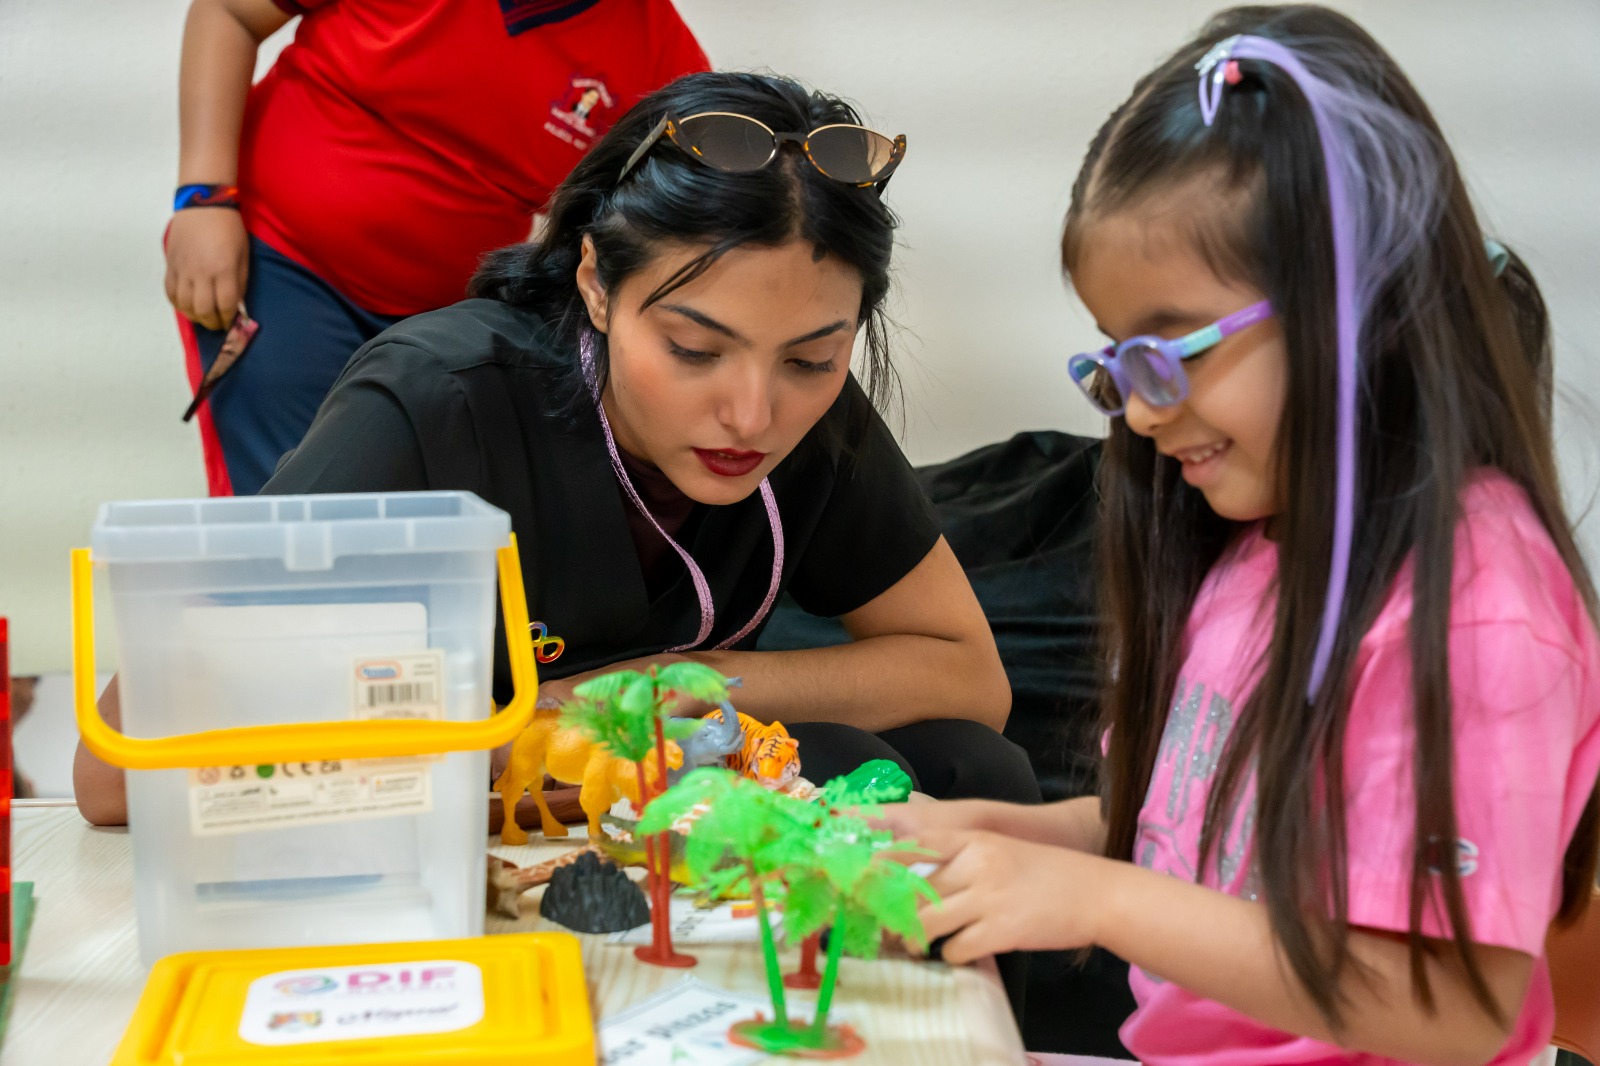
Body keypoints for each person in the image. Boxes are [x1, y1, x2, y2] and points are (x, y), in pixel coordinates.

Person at [885, 7, 1600, 1064]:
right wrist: (995, 837)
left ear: (1362, 306)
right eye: (1116, 362)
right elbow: (1196, 844)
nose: (1137, 414)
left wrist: (1091, 897)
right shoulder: (1255, 549)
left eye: (1170, 353)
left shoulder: (1475, 610)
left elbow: (1453, 1006)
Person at [76, 71, 1031, 829]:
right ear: (597, 285)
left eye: (812, 359)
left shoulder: (809, 416)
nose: (753, 414)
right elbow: (115, 772)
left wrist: (669, 686)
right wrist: (534, 742)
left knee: (968, 767)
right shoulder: (436, 402)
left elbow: (969, 679)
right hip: (434, 820)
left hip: (637, 810)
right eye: (693, 350)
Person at [167, 0, 709, 496]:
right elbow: (229, 12)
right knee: (290, 512)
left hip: (447, 320)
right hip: (281, 263)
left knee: (413, 516)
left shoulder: (657, 49)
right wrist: (203, 199)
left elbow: (703, 204)